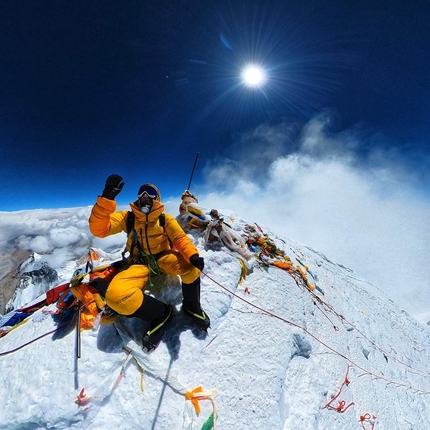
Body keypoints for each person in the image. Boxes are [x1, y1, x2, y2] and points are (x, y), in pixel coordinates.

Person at [89, 174, 210, 351]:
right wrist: (106, 199)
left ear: (158, 198)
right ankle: (161, 313)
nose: (145, 195)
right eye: (141, 192)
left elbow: (180, 239)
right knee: (115, 297)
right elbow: (99, 229)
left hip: (162, 259)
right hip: (137, 265)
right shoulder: (128, 218)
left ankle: (192, 307)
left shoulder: (164, 219)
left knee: (190, 268)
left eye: (151, 192)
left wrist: (192, 255)